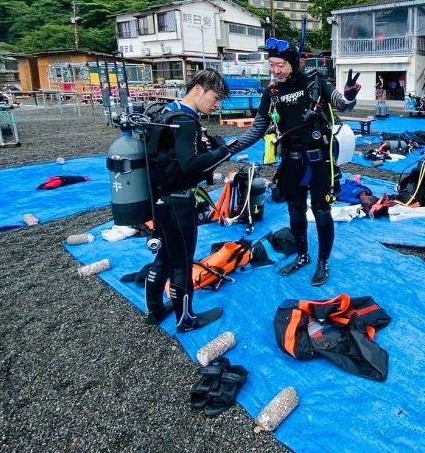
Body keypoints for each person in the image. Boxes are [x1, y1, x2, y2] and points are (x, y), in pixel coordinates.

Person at [228, 38, 361, 286]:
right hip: (291, 161)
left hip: (319, 161)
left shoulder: (316, 82)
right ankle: (302, 255)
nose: (276, 71)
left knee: (321, 212)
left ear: (293, 63)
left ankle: (323, 262)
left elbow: (344, 105)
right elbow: (258, 127)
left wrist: (350, 95)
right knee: (295, 211)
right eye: (272, 65)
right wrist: (229, 149)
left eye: (281, 65)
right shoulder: (271, 93)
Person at [144, 69, 238, 331]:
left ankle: (154, 311)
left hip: (159, 199)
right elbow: (190, 165)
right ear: (197, 89)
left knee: (164, 255)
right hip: (178, 202)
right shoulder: (185, 122)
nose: (217, 104)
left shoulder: (165, 113)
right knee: (182, 261)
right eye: (215, 98)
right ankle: (185, 319)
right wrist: (224, 151)